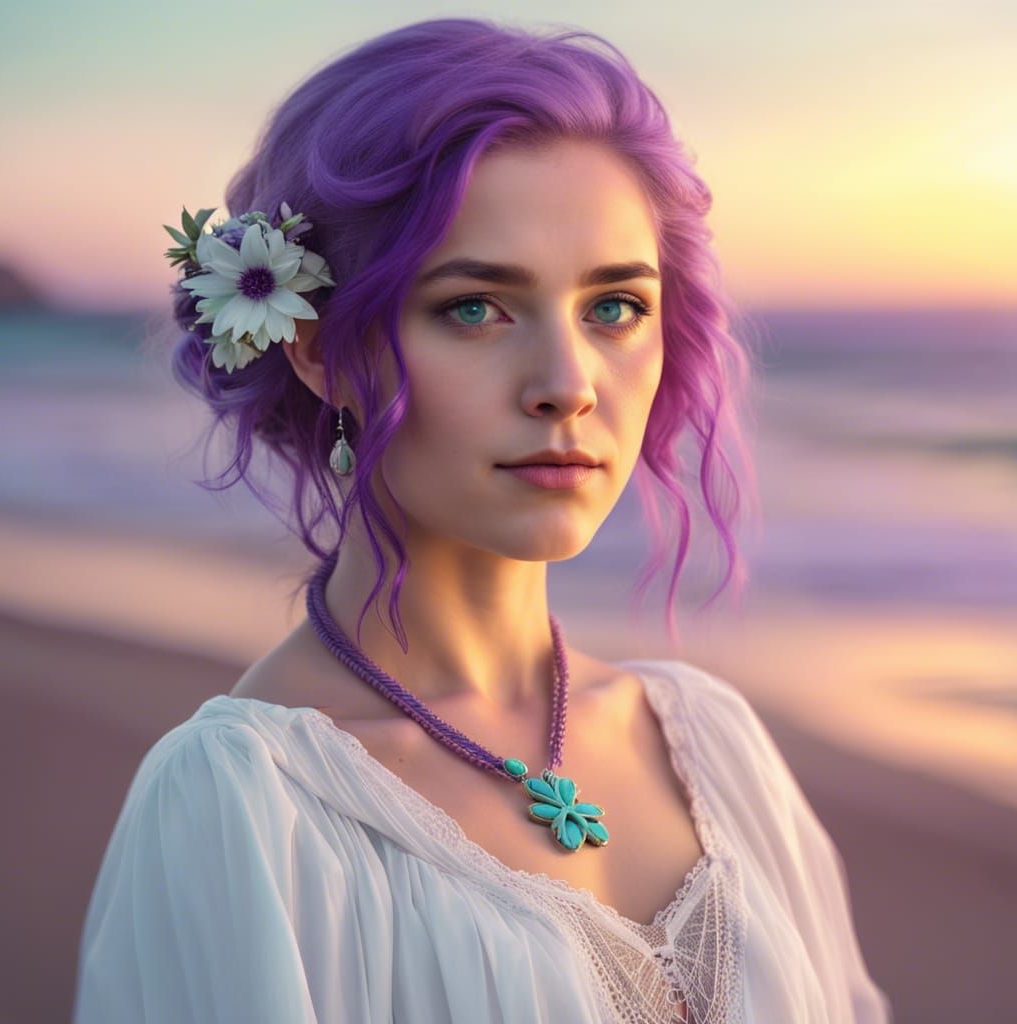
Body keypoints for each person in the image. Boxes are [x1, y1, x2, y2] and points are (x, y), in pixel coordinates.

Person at [73, 17, 893, 1023]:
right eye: (475, 307)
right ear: (319, 349)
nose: (566, 385)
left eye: (614, 308)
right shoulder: (250, 805)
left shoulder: (710, 744)